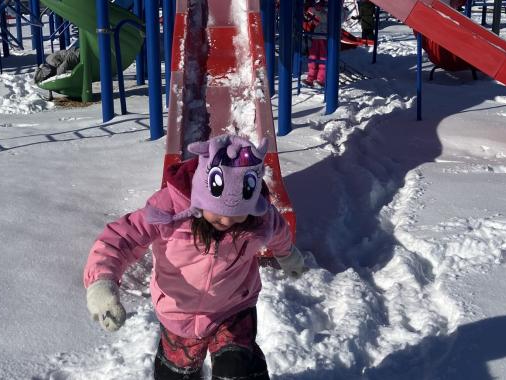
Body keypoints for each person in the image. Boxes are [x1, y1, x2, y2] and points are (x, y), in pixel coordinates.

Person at [84, 134, 306, 379]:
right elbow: (121, 238)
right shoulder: (169, 210)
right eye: (219, 213)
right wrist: (101, 282)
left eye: (237, 216)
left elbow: (278, 232)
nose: (227, 221)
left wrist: (288, 256)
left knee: (238, 368)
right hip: (178, 312)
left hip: (234, 306)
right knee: (178, 372)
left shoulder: (258, 216)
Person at [303, 0, 328, 87]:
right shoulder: (316, 12)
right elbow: (311, 13)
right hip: (316, 36)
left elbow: (324, 18)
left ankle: (320, 79)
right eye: (317, 5)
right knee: (312, 57)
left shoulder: (326, 12)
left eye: (320, 5)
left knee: (323, 58)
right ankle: (311, 77)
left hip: (324, 37)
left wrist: (315, 11)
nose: (318, 7)